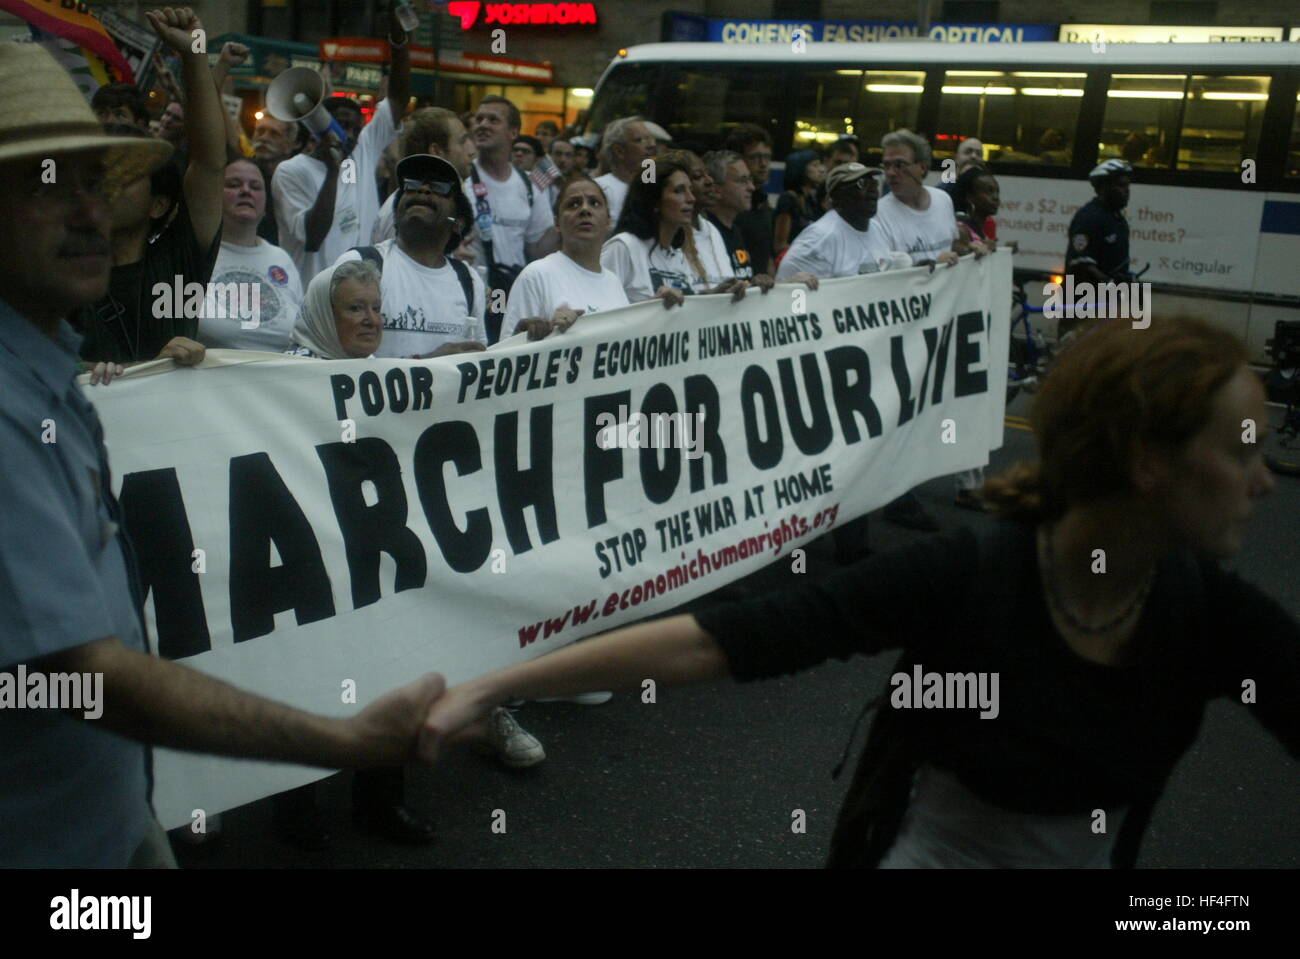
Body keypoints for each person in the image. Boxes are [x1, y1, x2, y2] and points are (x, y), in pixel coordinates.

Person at [419, 314, 1298, 870]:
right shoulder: (971, 575)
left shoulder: (1213, 617)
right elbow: (721, 639)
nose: (1265, 481)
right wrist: (493, 686)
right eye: (1243, 451)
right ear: (1147, 461)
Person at [0, 36, 455, 869]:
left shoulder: (47, 373)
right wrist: (338, 736)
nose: (91, 214)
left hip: (109, 814)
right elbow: (88, 676)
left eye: (98, 186)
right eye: (47, 187)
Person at [277, 260, 542, 846]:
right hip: (310, 558)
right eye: (354, 308)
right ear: (324, 313)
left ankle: (380, 802)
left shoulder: (380, 374)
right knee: (306, 678)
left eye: (376, 308)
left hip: (373, 556)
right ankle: (293, 813)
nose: (370, 320)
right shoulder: (274, 378)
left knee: (384, 671)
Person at [74, 7, 226, 365]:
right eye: (97, 174)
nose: (105, 184)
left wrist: (194, 54)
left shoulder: (179, 262)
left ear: (158, 204)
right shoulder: (58, 270)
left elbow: (209, 162)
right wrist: (147, 372)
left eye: (124, 174)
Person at [775, 162, 904, 565]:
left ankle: (852, 542)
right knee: (826, 457)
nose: (870, 190)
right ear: (835, 197)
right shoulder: (821, 238)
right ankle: (803, 539)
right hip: (824, 367)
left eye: (872, 183)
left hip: (868, 362)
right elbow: (783, 297)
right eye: (857, 185)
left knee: (860, 453)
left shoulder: (877, 228)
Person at [272, 8, 410, 280]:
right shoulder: (291, 171)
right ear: (314, 131)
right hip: (314, 297)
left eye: (355, 128)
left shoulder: (363, 150)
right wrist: (333, 172)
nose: (349, 134)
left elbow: (398, 99)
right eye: (342, 125)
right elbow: (312, 237)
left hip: (364, 291)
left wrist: (400, 44)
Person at [872, 129, 963, 533]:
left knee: (929, 407)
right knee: (899, 409)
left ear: (923, 168)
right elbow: (886, 269)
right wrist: (930, 261)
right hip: (901, 326)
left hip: (939, 322)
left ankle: (905, 483)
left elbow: (953, 247)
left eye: (900, 165)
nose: (891, 173)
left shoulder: (943, 200)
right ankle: (895, 497)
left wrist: (969, 251)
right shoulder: (882, 212)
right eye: (886, 164)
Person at [336, 154, 486, 359]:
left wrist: (522, 340)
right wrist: (427, 363)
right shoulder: (360, 264)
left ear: (458, 223)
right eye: (412, 185)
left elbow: (479, 360)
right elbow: (333, 357)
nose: (422, 190)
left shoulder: (469, 281)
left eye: (439, 186)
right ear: (396, 212)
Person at [601, 155, 751, 307]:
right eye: (679, 191)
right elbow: (599, 313)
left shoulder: (677, 254)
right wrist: (652, 305)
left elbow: (682, 310)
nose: (691, 198)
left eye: (690, 190)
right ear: (655, 201)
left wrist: (714, 296)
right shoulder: (623, 247)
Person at [469, 95, 558, 342]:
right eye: (479, 119)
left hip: (513, 292)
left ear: (513, 132)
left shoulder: (530, 185)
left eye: (493, 120)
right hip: (472, 293)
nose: (483, 124)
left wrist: (563, 231)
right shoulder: (462, 178)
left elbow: (537, 251)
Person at [502, 175, 629, 341]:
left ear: (608, 221)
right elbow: (504, 356)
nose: (585, 210)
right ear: (556, 223)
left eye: (594, 203)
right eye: (573, 204)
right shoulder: (536, 275)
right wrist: (546, 334)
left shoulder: (614, 282)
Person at [196, 158, 302, 351]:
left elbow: (302, 333)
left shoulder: (281, 259)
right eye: (233, 185)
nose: (246, 191)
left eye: (255, 187)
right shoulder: (195, 254)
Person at [370, 106, 474, 244]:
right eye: (462, 141)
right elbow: (403, 264)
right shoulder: (406, 209)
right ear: (436, 151)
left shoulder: (446, 198)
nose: (471, 150)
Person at [1066, 158, 1133, 289]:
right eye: (1121, 185)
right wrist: (1108, 282)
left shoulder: (1117, 218)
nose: (1127, 191)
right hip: (1084, 300)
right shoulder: (1088, 218)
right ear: (1104, 188)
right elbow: (1080, 263)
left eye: (1128, 186)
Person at [724, 124, 776, 278]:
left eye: (767, 156)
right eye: (754, 157)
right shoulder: (727, 204)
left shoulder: (762, 202)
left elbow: (767, 256)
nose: (763, 164)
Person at [594, 115, 657, 228]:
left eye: (651, 139)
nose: (651, 145)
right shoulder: (599, 189)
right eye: (641, 140)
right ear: (619, 151)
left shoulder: (656, 187)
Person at [773, 148, 824, 258]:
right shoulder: (788, 199)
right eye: (815, 165)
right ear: (800, 168)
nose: (820, 170)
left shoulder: (810, 199)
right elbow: (780, 244)